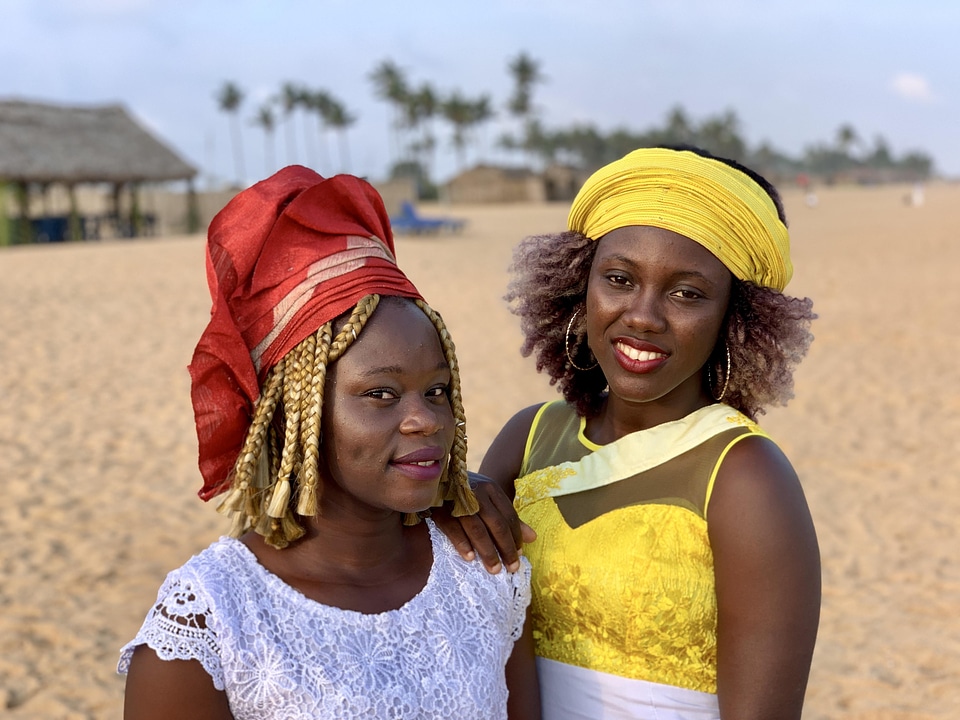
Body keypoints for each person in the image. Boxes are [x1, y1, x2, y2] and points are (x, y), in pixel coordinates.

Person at [117, 166, 540, 719]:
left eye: (437, 390)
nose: (425, 420)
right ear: (298, 413)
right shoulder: (211, 622)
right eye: (382, 394)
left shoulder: (484, 575)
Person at [436, 146, 820, 719]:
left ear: (734, 318)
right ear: (578, 287)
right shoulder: (530, 437)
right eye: (619, 279)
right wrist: (454, 493)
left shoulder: (745, 476)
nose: (643, 315)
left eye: (687, 293)